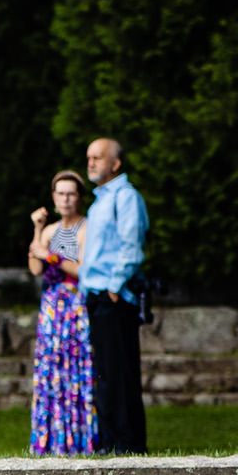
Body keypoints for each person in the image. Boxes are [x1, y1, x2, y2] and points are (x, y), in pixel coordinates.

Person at [79, 137, 150, 454]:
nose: (91, 162)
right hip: (96, 296)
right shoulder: (99, 202)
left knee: (119, 372)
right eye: (89, 157)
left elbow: (130, 246)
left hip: (114, 297)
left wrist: (113, 287)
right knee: (106, 373)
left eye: (98, 157)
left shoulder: (126, 197)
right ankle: (110, 442)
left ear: (115, 163)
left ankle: (128, 443)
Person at [26, 170, 95, 455]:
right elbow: (35, 267)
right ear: (53, 198)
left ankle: (80, 438)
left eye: (71, 193)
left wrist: (51, 255)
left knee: (76, 367)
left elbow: (82, 269)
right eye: (60, 193)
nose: (65, 199)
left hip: (75, 305)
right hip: (52, 309)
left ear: (79, 198)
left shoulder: (86, 228)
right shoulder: (51, 230)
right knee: (52, 370)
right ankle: (53, 439)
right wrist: (37, 229)